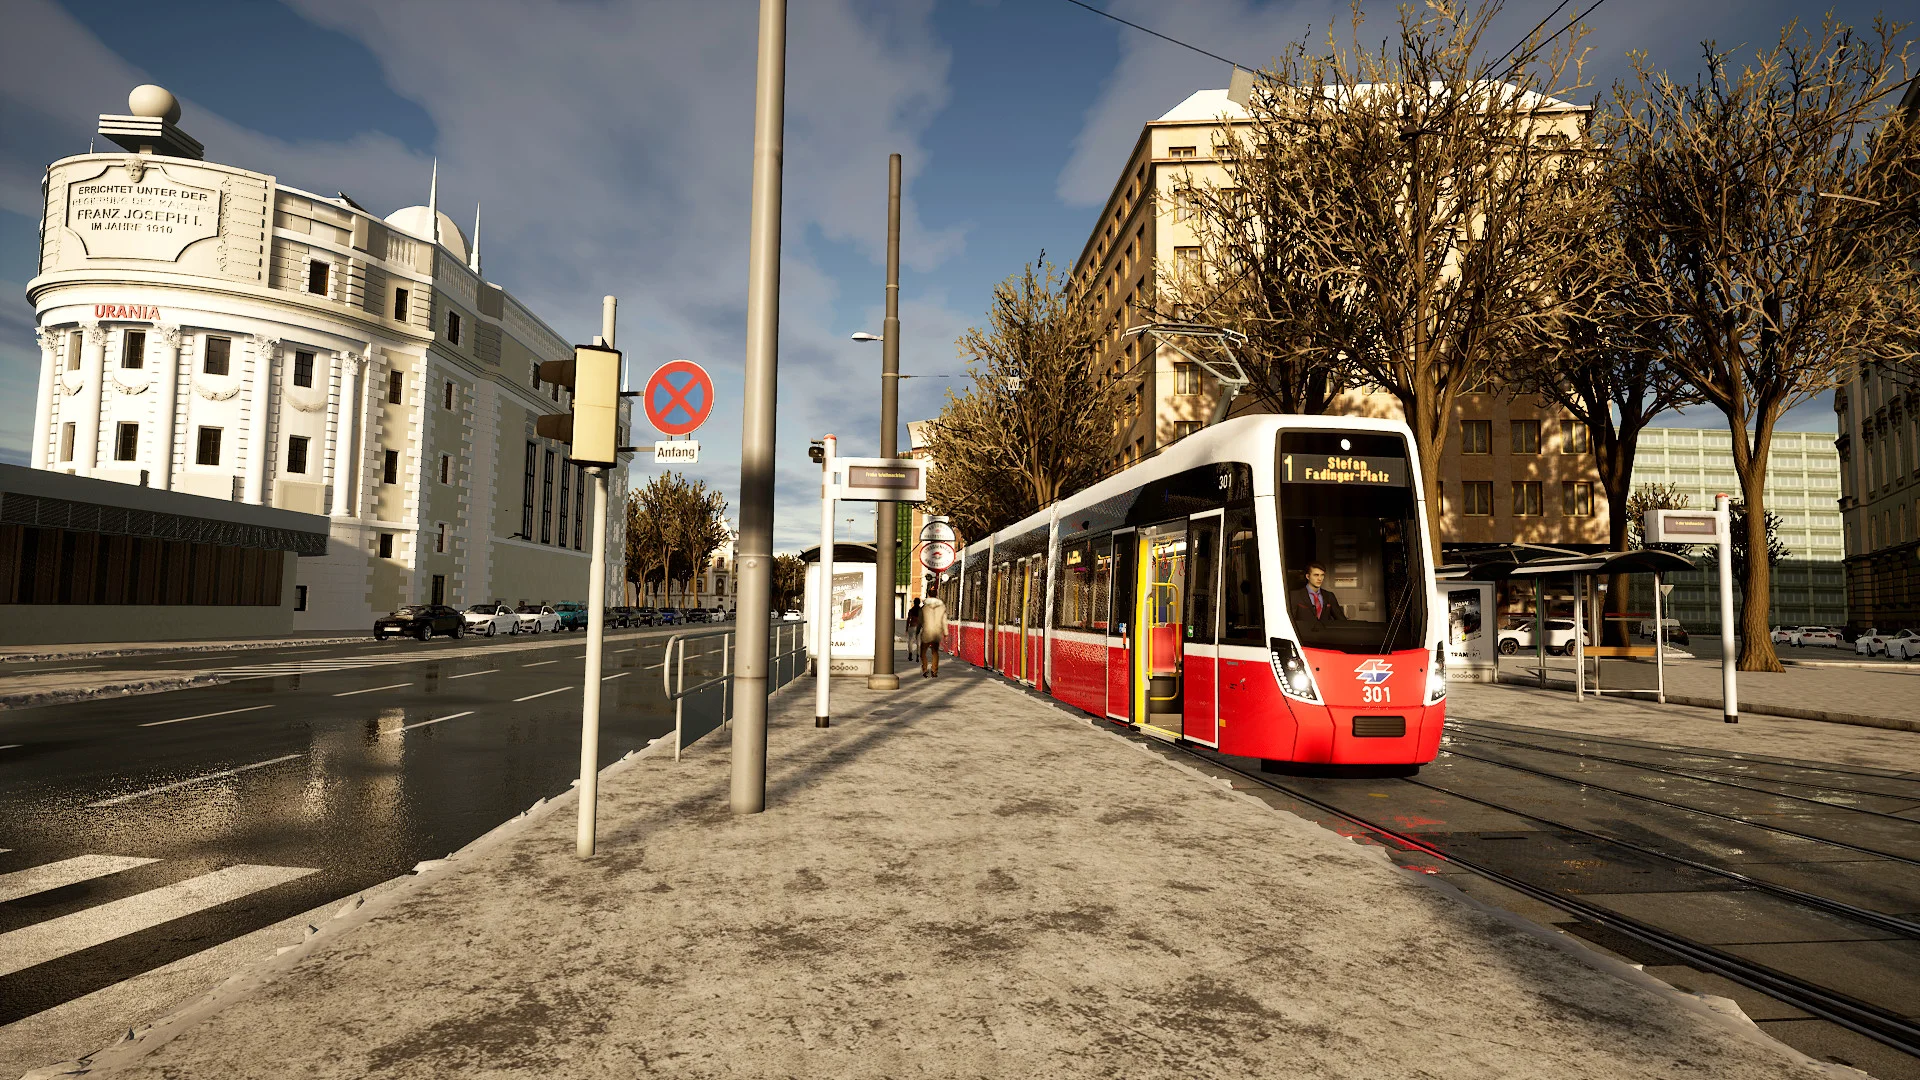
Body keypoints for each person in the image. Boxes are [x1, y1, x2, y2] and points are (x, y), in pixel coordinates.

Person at [1288, 563, 1342, 630]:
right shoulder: (1295, 595)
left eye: (1322, 575)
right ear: (1308, 576)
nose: (1320, 578)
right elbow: (1288, 621)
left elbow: (1341, 620)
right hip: (1303, 637)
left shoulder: (1329, 596)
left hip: (1325, 636)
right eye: (1316, 575)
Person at [919, 596, 946, 678]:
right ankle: (934, 671)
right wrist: (946, 632)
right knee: (935, 652)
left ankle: (925, 669)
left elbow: (920, 621)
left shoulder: (923, 608)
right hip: (936, 633)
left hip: (926, 633)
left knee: (923, 652)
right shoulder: (941, 608)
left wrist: (917, 631)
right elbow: (944, 621)